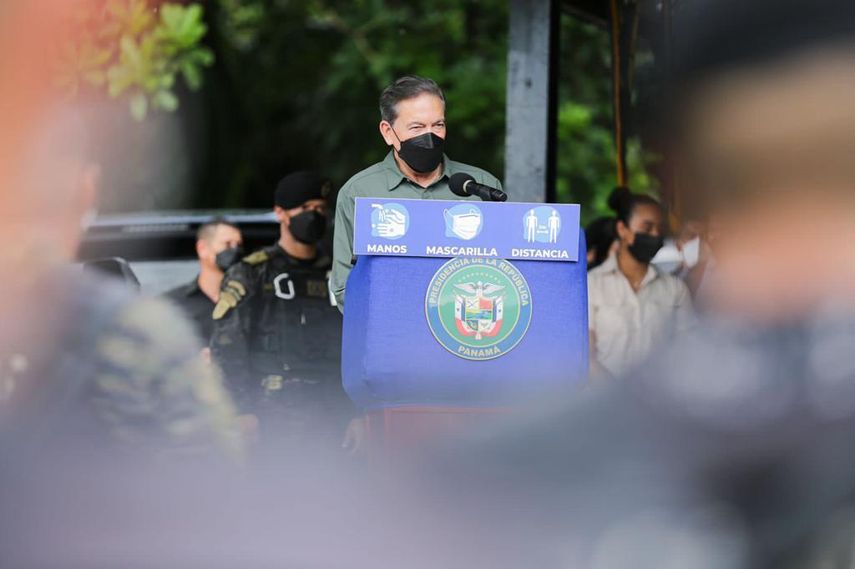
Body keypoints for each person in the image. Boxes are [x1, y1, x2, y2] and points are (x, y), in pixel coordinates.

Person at [330, 75, 503, 310]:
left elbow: (503, 275)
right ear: (388, 132)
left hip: (464, 334)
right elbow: (344, 287)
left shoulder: (480, 185)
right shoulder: (359, 192)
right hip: (392, 336)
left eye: (438, 125)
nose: (429, 136)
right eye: (417, 127)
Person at [210, 171, 355, 447]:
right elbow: (228, 348)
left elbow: (359, 347)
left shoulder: (339, 275)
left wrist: (357, 415)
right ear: (281, 213)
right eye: (305, 208)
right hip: (272, 416)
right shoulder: (252, 273)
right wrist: (242, 412)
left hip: (333, 415)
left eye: (320, 209)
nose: (314, 215)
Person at [587, 187, 694, 377]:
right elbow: (587, 356)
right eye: (647, 228)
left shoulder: (675, 289)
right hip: (604, 399)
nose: (654, 235)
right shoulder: (592, 285)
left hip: (658, 401)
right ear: (622, 229)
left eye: (660, 229)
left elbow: (687, 351)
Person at [163, 218, 243, 343]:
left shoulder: (252, 302)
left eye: (238, 245)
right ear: (203, 248)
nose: (235, 250)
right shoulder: (171, 305)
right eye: (227, 244)